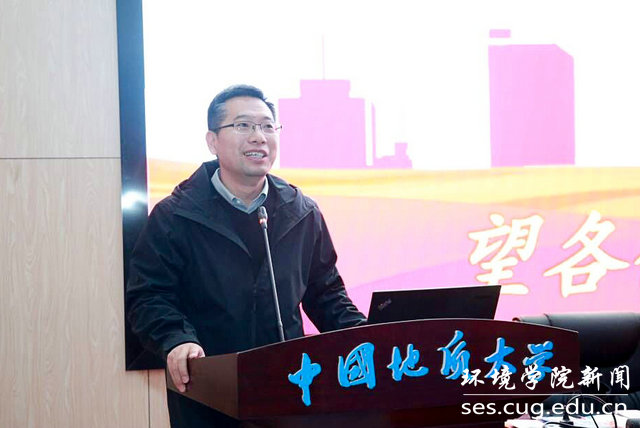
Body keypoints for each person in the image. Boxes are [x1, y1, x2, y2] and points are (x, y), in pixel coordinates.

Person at [126, 84, 366, 427]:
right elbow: (148, 296)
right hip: (207, 392)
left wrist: (368, 338)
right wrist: (177, 340)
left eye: (268, 126)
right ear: (212, 141)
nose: (259, 137)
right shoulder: (175, 216)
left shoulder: (301, 212)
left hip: (290, 389)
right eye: (243, 125)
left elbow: (326, 294)